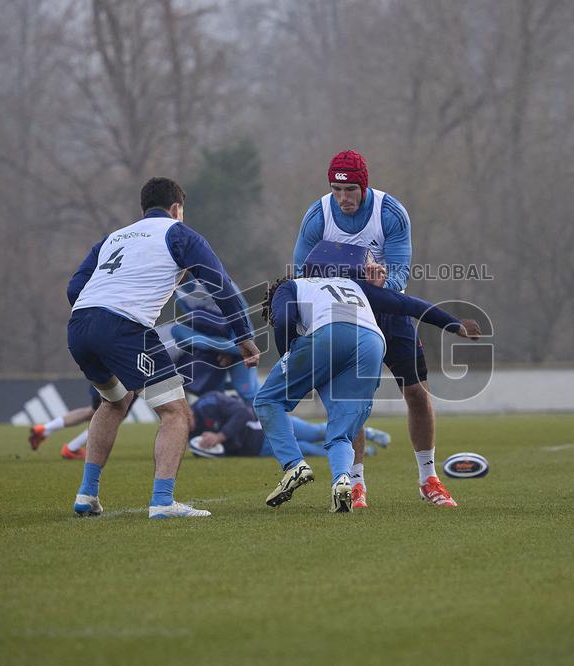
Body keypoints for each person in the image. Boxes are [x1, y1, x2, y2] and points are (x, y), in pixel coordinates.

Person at [66, 176, 260, 519]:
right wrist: (244, 336)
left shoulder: (114, 237)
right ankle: (162, 501)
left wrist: (97, 315)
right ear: (176, 208)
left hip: (80, 326)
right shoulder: (178, 233)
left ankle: (86, 494)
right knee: (176, 413)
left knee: (115, 402)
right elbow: (221, 284)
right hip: (124, 328)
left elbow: (75, 287)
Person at [256, 244, 481, 512]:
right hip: (372, 342)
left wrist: (288, 356)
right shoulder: (352, 284)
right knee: (342, 427)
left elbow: (283, 319)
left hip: (331, 334)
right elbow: (405, 303)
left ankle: (294, 465)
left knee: (267, 400)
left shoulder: (288, 288)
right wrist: (453, 324)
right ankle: (343, 481)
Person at [293, 150, 455, 508]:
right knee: (351, 401)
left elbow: (400, 273)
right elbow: (301, 273)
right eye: (337, 190)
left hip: (387, 310)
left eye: (350, 189)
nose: (343, 198)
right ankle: (356, 482)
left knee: (417, 393)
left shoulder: (390, 212)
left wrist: (383, 282)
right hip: (343, 315)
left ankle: (428, 477)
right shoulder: (318, 215)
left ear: (363, 186)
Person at [187, 390, 388, 459]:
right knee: (308, 450)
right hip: (259, 447)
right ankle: (359, 452)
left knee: (315, 432)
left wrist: (220, 436)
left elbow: (242, 412)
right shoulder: (188, 433)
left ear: (185, 411)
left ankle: (365, 432)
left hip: (267, 425)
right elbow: (207, 452)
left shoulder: (210, 402)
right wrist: (210, 448)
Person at [28, 386, 137, 460]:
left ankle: (45, 428)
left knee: (93, 411)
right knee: (114, 416)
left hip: (101, 373)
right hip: (123, 376)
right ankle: (71, 448)